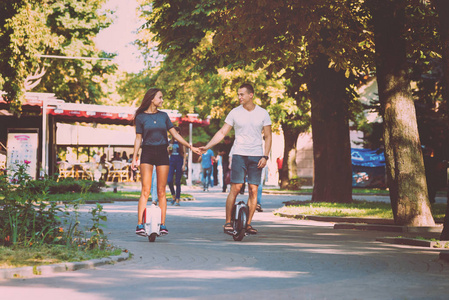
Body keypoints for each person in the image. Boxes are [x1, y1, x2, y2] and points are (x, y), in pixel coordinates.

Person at [200, 83, 272, 235]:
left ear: (251, 95)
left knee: (254, 190)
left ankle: (248, 224)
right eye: (238, 94)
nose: (239, 97)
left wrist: (265, 156)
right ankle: (227, 222)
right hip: (239, 153)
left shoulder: (263, 113)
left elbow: (268, 136)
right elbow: (222, 132)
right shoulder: (234, 113)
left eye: (242, 94)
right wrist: (207, 146)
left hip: (257, 155)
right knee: (236, 188)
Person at [132, 88, 200, 236]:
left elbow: (174, 134)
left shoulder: (164, 116)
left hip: (163, 153)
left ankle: (162, 225)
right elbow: (138, 139)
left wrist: (190, 147)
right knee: (145, 190)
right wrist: (134, 158)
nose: (162, 100)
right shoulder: (141, 117)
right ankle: (139, 225)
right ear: (152, 99)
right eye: (160, 97)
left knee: (162, 191)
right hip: (147, 153)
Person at [167, 126, 186, 206]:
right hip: (171, 161)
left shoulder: (181, 141)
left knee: (177, 181)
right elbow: (168, 153)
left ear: (178, 132)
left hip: (179, 160)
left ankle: (177, 198)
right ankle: (173, 195)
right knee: (169, 180)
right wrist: (168, 148)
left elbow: (185, 154)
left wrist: (184, 165)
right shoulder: (170, 141)